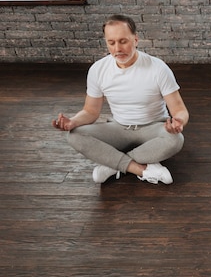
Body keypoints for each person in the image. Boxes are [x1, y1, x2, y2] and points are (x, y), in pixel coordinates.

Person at [52, 14, 189, 184]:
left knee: (175, 140)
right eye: (111, 43)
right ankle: (139, 168)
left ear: (136, 39)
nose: (117, 48)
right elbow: (91, 111)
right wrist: (73, 122)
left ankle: (112, 165)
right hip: (119, 128)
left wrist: (178, 122)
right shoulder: (98, 70)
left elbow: (179, 110)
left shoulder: (158, 68)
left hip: (154, 128)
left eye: (123, 41)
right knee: (74, 136)